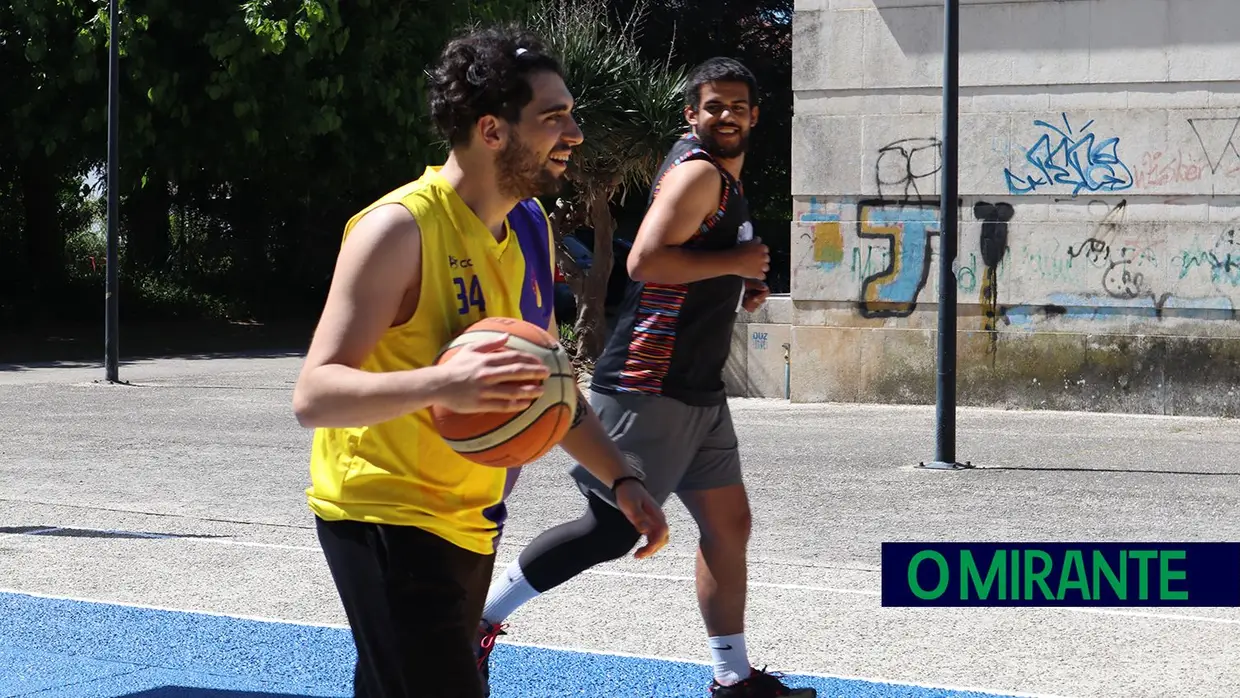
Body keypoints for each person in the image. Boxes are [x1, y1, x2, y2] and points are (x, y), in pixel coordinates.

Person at [292, 24, 670, 698]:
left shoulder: (529, 227)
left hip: (472, 515)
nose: (575, 132)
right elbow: (315, 394)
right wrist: (443, 382)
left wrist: (622, 480)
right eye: (554, 117)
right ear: (493, 131)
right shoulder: (398, 229)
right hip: (385, 512)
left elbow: (543, 384)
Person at [477, 57, 816, 698]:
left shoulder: (722, 180)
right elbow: (645, 261)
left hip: (697, 388)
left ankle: (732, 678)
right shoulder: (697, 173)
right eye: (713, 106)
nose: (726, 116)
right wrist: (739, 260)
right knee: (610, 528)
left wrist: (737, 276)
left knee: (728, 524)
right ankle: (480, 623)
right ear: (692, 113)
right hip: (648, 380)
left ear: (755, 116)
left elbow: (697, 257)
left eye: (738, 106)